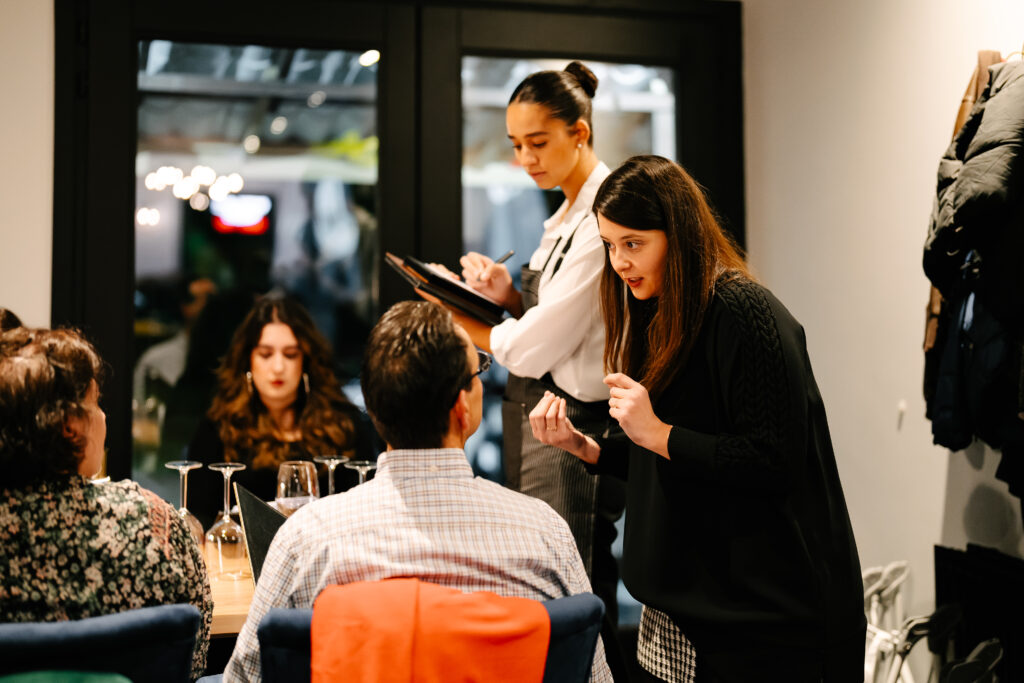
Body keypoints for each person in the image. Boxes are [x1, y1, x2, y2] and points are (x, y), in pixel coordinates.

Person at [530, 156, 865, 682]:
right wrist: (589, 447)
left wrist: (658, 433)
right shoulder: (660, 310)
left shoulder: (743, 312)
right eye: (609, 245)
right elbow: (673, 452)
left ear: (679, 234)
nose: (620, 262)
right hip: (681, 615)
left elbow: (770, 461)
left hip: (763, 626)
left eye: (633, 243)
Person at [223, 301, 612, 683]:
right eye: (479, 369)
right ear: (461, 407)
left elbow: (244, 677)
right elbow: (594, 676)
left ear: (372, 406)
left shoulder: (308, 540)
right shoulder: (544, 535)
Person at [452, 60, 626, 629]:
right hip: (539, 413)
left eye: (538, 142)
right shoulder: (565, 212)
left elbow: (534, 347)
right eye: (516, 145)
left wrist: (460, 318)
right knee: (542, 588)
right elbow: (553, 320)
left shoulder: (603, 219)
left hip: (578, 424)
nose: (525, 158)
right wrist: (506, 296)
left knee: (572, 595)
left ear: (580, 132)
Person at [0, 326, 212, 680]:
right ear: (71, 426)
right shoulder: (154, 522)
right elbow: (194, 657)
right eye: (96, 402)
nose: (103, 416)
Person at [187, 292, 374, 530]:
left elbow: (366, 513)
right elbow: (198, 521)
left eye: (290, 355)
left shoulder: (343, 425)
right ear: (248, 360)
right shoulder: (219, 428)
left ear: (305, 361)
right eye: (265, 354)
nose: (278, 367)